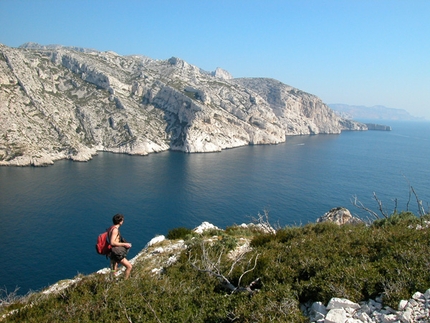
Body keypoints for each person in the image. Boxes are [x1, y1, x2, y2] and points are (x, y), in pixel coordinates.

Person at [108, 213, 132, 279]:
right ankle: (125, 282)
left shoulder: (111, 228)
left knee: (114, 267)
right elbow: (112, 242)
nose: (123, 221)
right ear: (120, 221)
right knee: (129, 266)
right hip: (116, 253)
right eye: (122, 220)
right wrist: (125, 244)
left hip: (113, 252)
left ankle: (112, 280)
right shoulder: (115, 230)